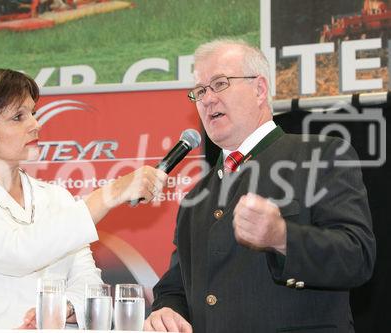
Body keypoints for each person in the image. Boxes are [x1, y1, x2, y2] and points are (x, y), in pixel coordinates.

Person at [144, 39, 376, 333]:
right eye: (200, 91)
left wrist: (282, 236)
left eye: (220, 84)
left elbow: (357, 258)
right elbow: (176, 285)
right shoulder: (196, 197)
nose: (207, 99)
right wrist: (166, 309)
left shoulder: (322, 156)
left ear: (260, 89)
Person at [0, 68, 167, 329]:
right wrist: (110, 193)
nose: (35, 124)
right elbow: (17, 253)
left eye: (33, 113)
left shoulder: (57, 197)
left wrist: (69, 306)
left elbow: (88, 280)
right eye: (18, 117)